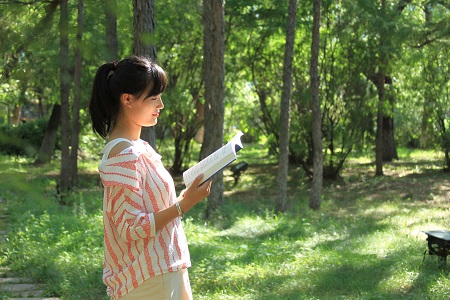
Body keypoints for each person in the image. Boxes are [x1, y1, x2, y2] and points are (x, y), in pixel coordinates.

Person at [88, 56, 211, 300]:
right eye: (154, 98)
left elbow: (148, 209)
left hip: (164, 269)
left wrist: (182, 198)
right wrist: (183, 206)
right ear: (127, 100)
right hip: (149, 280)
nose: (161, 105)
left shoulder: (139, 147)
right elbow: (130, 227)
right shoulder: (123, 154)